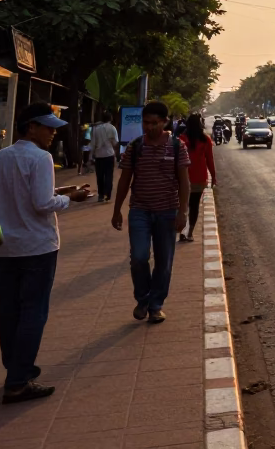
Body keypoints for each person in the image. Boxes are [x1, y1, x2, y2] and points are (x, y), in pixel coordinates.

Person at [0, 103, 90, 403]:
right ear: (31, 126)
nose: (53, 133)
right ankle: (18, 379)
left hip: (7, 247)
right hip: (38, 247)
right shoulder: (41, 158)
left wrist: (61, 193)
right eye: (48, 127)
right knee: (33, 312)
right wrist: (72, 199)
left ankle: (16, 368)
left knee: (10, 312)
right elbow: (42, 204)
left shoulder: (0, 157)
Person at [111, 100, 190, 324]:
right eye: (146, 123)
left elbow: (184, 182)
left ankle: (156, 305)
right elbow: (125, 180)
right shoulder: (136, 147)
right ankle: (142, 298)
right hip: (140, 211)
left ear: (165, 122)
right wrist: (117, 210)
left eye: (155, 123)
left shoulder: (177, 146)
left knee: (164, 262)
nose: (150, 127)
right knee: (138, 257)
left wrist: (182, 212)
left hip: (167, 211)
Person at [179, 114, 216, 243]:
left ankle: (182, 231)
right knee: (194, 206)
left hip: (183, 177)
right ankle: (189, 232)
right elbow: (209, 160)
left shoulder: (181, 139)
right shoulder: (205, 140)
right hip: (199, 177)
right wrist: (214, 177)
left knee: (183, 205)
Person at [88, 111, 120, 202]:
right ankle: (108, 194)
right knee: (109, 175)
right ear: (111, 119)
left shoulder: (95, 129)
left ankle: (101, 195)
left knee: (100, 176)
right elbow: (115, 143)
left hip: (99, 156)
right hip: (109, 154)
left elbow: (93, 144)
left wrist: (90, 157)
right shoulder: (112, 128)